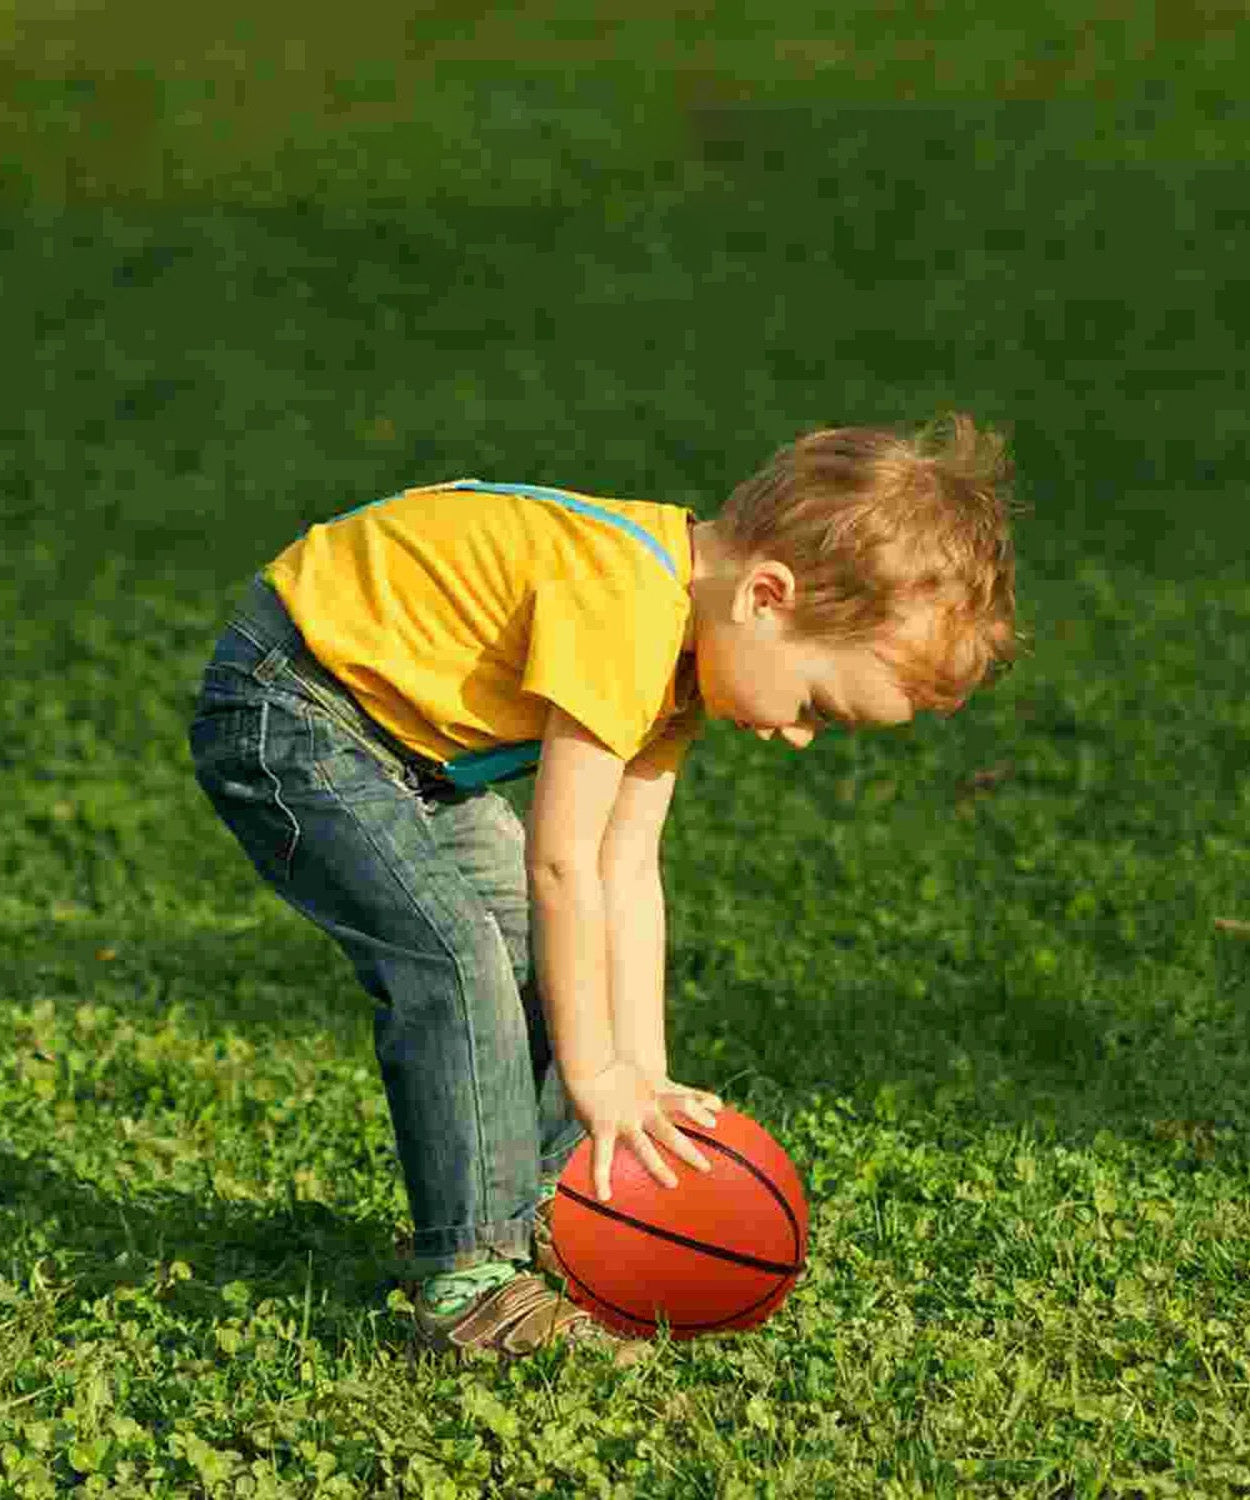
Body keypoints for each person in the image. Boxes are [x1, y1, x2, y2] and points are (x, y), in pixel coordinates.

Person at [187, 413, 1026, 1363]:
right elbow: (563, 864)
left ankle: (559, 1201)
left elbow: (628, 870)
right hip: (294, 710)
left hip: (408, 749)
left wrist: (644, 1070)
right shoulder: (627, 607)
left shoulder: (686, 646)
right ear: (766, 595)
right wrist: (595, 1072)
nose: (796, 736)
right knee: (456, 957)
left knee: (526, 951)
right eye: (816, 708)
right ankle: (469, 1279)